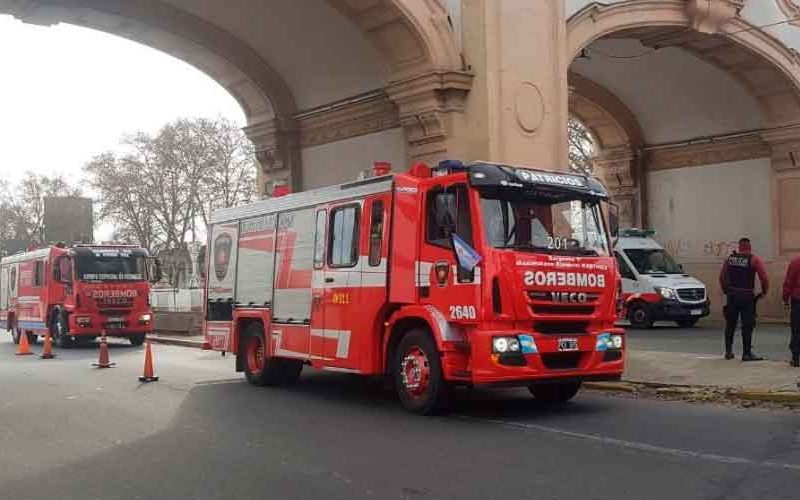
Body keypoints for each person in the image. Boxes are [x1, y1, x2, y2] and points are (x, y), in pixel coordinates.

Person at [719, 238, 769, 361]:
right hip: (747, 297)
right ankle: (746, 353)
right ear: (749, 247)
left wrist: (726, 290)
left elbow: (721, 277)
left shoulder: (729, 259)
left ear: (739, 247)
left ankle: (728, 352)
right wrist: (763, 292)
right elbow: (764, 277)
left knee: (730, 324)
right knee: (747, 325)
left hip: (732, 296)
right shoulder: (753, 259)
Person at [781, 253, 800, 367]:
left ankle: (796, 358)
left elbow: (789, 282)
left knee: (796, 329)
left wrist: (785, 298)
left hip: (797, 300)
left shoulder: (796, 262)